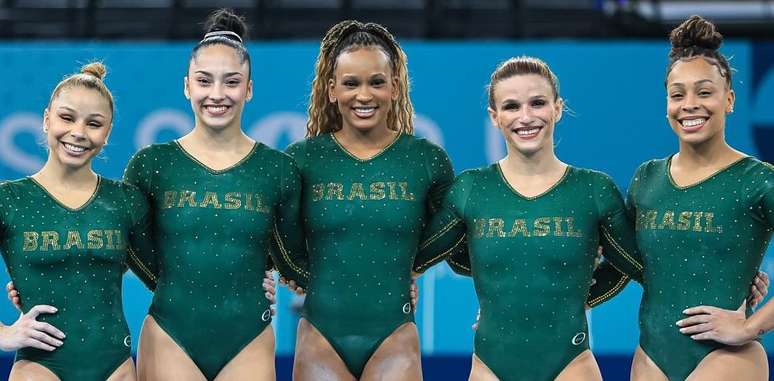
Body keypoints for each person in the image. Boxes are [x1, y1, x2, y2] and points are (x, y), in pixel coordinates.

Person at [412, 56, 646, 381]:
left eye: (537, 103)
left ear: (558, 108)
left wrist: (569, 299)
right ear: (494, 116)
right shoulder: (471, 189)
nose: (526, 117)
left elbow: (638, 265)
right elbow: (429, 256)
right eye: (511, 106)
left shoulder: (594, 190)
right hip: (489, 368)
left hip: (571, 366)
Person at [123, 9, 308, 380]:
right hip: (170, 335)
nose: (217, 94)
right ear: (187, 86)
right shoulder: (151, 165)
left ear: (249, 89)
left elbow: (295, 257)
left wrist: (396, 279)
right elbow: (125, 246)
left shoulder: (278, 169)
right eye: (204, 81)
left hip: (248, 337)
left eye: (231, 82)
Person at [285, 20, 454, 380]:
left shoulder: (426, 160)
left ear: (394, 87)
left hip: (394, 334)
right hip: (320, 335)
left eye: (376, 82)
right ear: (331, 90)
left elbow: (463, 237)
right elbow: (268, 232)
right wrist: (285, 275)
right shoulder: (301, 161)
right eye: (351, 83)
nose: (364, 95)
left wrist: (409, 268)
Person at [629, 15, 773, 381]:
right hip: (650, 358)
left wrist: (751, 326)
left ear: (730, 100)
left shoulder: (758, 180)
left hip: (726, 358)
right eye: (677, 94)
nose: (689, 104)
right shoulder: (647, 179)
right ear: (667, 104)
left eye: (704, 92)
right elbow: (616, 261)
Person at [0, 62, 147, 381]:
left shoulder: (125, 200)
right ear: (46, 119)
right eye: (67, 117)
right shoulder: (8, 200)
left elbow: (176, 267)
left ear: (107, 133)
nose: (78, 132)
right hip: (40, 369)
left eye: (94, 124)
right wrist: (3, 334)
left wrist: (258, 280)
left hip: (115, 368)